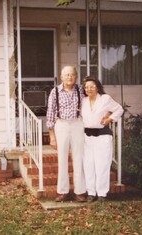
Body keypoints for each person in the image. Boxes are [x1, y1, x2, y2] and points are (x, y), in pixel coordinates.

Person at [46, 65, 86, 202]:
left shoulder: (82, 89)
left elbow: (95, 98)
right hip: (61, 125)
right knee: (62, 158)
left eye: (72, 74)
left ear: (76, 76)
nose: (70, 77)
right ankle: (63, 191)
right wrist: (52, 137)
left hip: (77, 124)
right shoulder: (55, 91)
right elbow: (50, 113)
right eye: (67, 75)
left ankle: (79, 191)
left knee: (78, 158)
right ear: (62, 77)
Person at [81, 76, 124, 202]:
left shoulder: (105, 99)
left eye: (92, 86)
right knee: (88, 165)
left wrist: (109, 119)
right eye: (86, 87)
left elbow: (119, 109)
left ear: (98, 87)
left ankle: (102, 194)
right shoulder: (83, 101)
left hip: (102, 136)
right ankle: (91, 192)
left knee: (102, 165)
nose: (89, 89)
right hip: (86, 137)